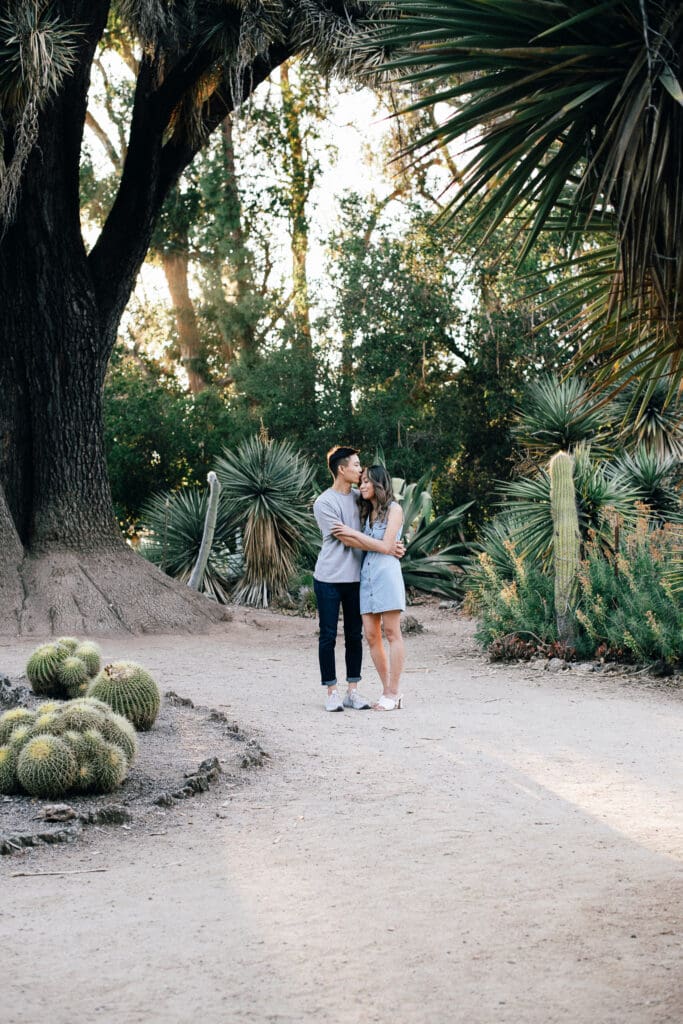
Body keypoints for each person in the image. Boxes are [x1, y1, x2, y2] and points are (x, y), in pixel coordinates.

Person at [312, 446, 404, 713]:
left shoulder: (360, 499)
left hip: (357, 578)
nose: (360, 472)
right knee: (328, 635)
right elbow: (347, 538)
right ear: (342, 469)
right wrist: (386, 546)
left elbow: (382, 527)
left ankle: (353, 690)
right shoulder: (324, 502)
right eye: (355, 465)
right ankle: (331, 691)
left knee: (355, 635)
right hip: (329, 577)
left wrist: (393, 546)